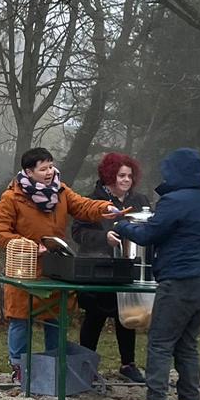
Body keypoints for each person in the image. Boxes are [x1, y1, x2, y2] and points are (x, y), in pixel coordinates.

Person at [0, 148, 122, 383]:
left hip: (56, 268)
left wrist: (104, 209)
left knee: (55, 318)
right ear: (29, 172)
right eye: (43, 169)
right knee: (21, 319)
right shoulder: (12, 198)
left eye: (51, 166)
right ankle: (19, 368)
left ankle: (54, 366)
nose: (49, 172)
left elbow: (82, 206)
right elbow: (0, 231)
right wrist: (27, 246)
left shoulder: (61, 192)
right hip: (25, 269)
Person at [111, 149, 200, 400]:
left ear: (175, 172)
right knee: (187, 344)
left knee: (160, 342)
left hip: (181, 280)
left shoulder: (174, 200)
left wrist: (122, 226)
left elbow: (150, 234)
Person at [71, 151, 152, 384]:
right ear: (109, 176)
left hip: (129, 267)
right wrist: (103, 237)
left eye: (129, 176)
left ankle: (128, 364)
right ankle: (85, 364)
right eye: (120, 175)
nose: (126, 180)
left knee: (126, 316)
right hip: (98, 267)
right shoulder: (91, 200)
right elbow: (78, 232)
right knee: (94, 317)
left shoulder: (140, 202)